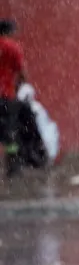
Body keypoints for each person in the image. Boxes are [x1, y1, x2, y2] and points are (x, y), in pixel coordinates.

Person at [0, 20, 26, 178]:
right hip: (6, 96)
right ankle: (13, 169)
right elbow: (21, 71)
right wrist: (20, 86)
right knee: (10, 132)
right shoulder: (12, 47)